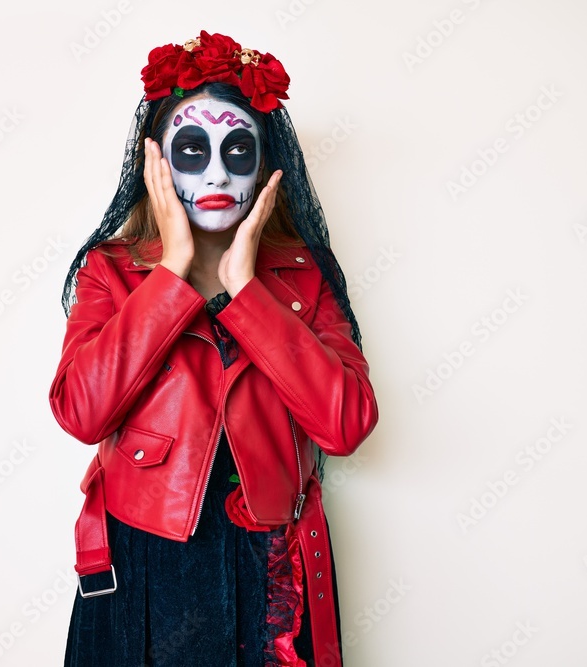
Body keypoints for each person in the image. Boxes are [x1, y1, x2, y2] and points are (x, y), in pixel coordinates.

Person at [49, 30, 379, 666]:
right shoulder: (111, 271)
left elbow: (346, 425)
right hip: (148, 564)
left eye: (238, 150)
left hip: (271, 567)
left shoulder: (304, 275)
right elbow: (81, 414)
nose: (218, 174)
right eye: (193, 151)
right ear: (156, 164)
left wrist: (247, 290)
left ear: (267, 164)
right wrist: (172, 271)